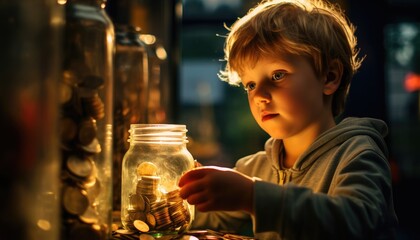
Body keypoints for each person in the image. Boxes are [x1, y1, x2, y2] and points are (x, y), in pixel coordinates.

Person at [178, 0, 399, 239]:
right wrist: (185, 196)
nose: (260, 96)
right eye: (250, 84)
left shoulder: (357, 154)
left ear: (329, 77)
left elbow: (356, 220)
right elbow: (206, 217)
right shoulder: (255, 168)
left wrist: (253, 197)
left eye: (277, 75)